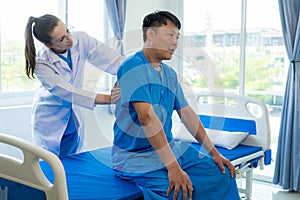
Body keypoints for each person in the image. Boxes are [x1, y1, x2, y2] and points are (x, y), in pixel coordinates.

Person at [112, 10, 240, 200]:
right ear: (150, 34)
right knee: (179, 191)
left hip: (170, 149)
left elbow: (186, 114)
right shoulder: (133, 66)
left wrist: (214, 153)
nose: (175, 42)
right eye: (170, 35)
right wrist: (173, 168)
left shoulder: (169, 74)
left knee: (222, 174)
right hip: (134, 157)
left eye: (177, 37)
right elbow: (146, 117)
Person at [24, 14, 123, 157]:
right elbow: (68, 92)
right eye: (61, 39)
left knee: (71, 161)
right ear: (48, 44)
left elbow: (111, 60)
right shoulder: (41, 62)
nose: (69, 39)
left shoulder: (81, 40)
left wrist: (127, 72)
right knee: (50, 165)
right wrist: (109, 99)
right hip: (51, 118)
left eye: (67, 31)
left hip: (73, 115)